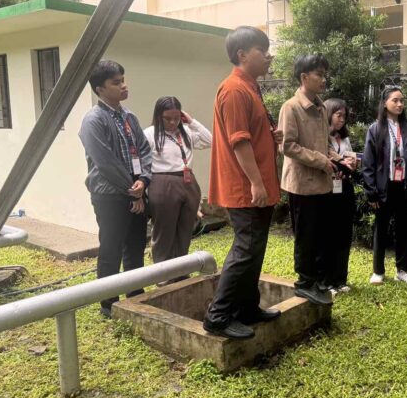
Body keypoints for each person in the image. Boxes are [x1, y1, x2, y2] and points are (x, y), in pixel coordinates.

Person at [202, 26, 283, 340]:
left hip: (256, 186)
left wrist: (271, 135)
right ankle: (218, 316)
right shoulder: (234, 89)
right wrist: (257, 183)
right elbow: (239, 142)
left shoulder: (250, 87)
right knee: (245, 248)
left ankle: (247, 307)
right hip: (246, 187)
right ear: (242, 54)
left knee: (254, 249)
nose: (267, 55)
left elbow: (252, 132)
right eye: (262, 50)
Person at [78, 60, 152, 318]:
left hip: (136, 191)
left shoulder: (129, 117)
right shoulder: (93, 121)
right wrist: (132, 191)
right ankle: (108, 303)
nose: (124, 85)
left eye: (123, 79)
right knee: (111, 247)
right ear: (100, 89)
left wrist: (143, 180)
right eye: (116, 82)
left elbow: (143, 150)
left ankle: (135, 296)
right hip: (110, 196)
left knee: (135, 245)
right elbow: (104, 161)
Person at [278, 54, 344, 306]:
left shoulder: (320, 107)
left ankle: (317, 280)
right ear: (304, 77)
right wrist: (321, 160)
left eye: (324, 74)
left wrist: (339, 159)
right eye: (319, 74)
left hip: (321, 182)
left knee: (321, 234)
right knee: (306, 235)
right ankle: (304, 282)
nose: (323, 79)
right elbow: (288, 146)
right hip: (302, 184)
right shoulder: (291, 107)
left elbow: (325, 144)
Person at [362, 86, 407, 285]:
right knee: (380, 228)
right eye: (395, 100)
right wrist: (371, 191)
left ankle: (403, 270)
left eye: (402, 100)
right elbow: (368, 163)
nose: (400, 104)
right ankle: (378, 271)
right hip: (384, 186)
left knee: (405, 229)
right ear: (384, 103)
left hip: (405, 186)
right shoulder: (375, 129)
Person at [144, 97, 212, 265]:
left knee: (185, 230)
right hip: (163, 183)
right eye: (168, 118)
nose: (173, 122)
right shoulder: (150, 134)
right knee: (164, 232)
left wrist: (192, 122)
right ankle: (162, 275)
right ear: (159, 115)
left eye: (176, 118)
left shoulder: (186, 132)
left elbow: (210, 140)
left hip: (188, 182)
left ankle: (180, 271)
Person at [323, 98, 358, 294]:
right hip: (328, 191)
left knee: (344, 235)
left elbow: (350, 159)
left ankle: (340, 279)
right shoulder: (322, 138)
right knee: (329, 235)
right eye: (338, 115)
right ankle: (327, 281)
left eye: (344, 116)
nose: (342, 120)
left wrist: (353, 164)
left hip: (344, 189)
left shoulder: (344, 139)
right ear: (329, 114)